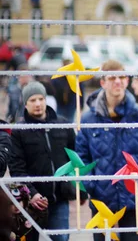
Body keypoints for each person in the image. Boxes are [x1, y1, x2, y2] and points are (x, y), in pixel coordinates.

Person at [76, 60, 138, 241]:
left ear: (127, 80)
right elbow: (81, 158)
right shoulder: (89, 118)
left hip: (132, 198)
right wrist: (91, 185)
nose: (118, 82)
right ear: (102, 82)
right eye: (112, 78)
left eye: (122, 77)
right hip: (101, 199)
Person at [9, 82, 80, 241]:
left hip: (59, 200)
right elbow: (16, 168)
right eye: (32, 100)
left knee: (61, 238)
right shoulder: (19, 131)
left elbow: (75, 158)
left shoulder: (63, 124)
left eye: (41, 98)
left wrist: (77, 189)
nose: (38, 104)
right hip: (31, 203)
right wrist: (32, 194)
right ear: (25, 103)